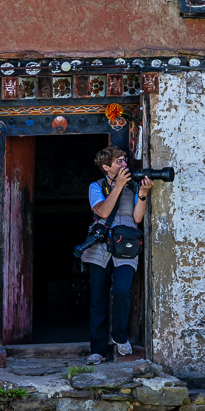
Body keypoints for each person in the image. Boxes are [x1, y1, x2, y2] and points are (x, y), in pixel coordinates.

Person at [84, 146, 153, 365]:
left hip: (126, 247)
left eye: (124, 160)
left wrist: (141, 194)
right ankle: (98, 349)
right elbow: (103, 211)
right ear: (106, 167)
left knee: (122, 291)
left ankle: (120, 336)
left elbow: (137, 218)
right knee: (98, 299)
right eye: (119, 162)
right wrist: (118, 185)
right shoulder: (96, 186)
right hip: (101, 248)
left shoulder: (133, 186)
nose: (124, 165)